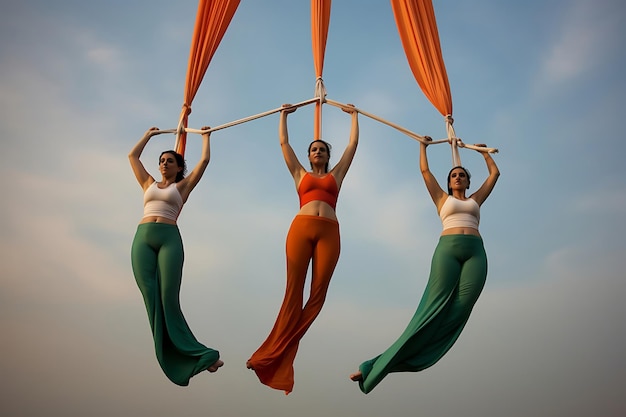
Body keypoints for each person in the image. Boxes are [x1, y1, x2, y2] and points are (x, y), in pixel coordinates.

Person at [350, 136, 500, 394]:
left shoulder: (475, 199)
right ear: (448, 182)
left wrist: (482, 151)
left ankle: (401, 361)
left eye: (462, 175)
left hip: (476, 253)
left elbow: (495, 173)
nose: (457, 177)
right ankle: (373, 366)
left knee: (459, 311)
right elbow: (424, 171)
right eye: (453, 175)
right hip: (448, 252)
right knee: (431, 310)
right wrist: (423, 147)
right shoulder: (442, 199)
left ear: (467, 181)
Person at [247, 104, 359, 394]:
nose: (318, 152)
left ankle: (278, 351)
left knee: (318, 295)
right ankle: (268, 354)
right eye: (313, 149)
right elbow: (284, 143)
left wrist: (354, 117)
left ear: (327, 155)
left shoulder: (337, 175)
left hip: (329, 233)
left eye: (322, 149)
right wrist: (283, 116)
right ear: (309, 156)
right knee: (293, 292)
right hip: (301, 229)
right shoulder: (299, 173)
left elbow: (353, 144)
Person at [129, 126, 223, 386]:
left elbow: (204, 161)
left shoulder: (183, 186)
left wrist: (205, 138)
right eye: (161, 161)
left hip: (169, 240)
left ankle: (201, 355)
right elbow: (132, 157)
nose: (163, 164)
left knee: (168, 298)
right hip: (143, 239)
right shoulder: (148, 183)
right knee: (150, 296)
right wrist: (148, 136)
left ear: (178, 166)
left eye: (169, 161)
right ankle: (176, 356)